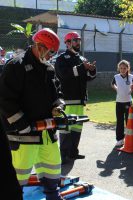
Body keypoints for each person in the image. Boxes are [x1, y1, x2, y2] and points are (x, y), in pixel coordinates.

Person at [0, 28, 65, 200]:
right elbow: (5, 101)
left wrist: (58, 106)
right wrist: (23, 125)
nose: (52, 56)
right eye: (51, 52)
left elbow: (57, 93)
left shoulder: (49, 69)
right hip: (23, 136)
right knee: (18, 176)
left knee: (52, 168)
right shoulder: (16, 66)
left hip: (47, 133)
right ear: (39, 46)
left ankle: (53, 195)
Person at [55, 31, 97, 164]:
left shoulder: (82, 59)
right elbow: (63, 74)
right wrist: (81, 67)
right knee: (65, 128)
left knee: (77, 127)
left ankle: (73, 153)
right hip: (67, 100)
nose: (78, 42)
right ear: (67, 43)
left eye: (78, 40)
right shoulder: (62, 58)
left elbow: (88, 78)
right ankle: (63, 155)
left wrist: (91, 70)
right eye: (74, 40)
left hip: (79, 101)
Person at [111, 60, 133, 147]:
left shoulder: (131, 77)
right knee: (119, 121)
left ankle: (129, 138)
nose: (123, 70)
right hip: (119, 102)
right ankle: (120, 139)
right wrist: (116, 89)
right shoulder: (116, 76)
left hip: (128, 102)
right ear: (118, 68)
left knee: (129, 121)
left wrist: (132, 90)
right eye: (121, 68)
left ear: (128, 68)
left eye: (124, 68)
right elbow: (112, 84)